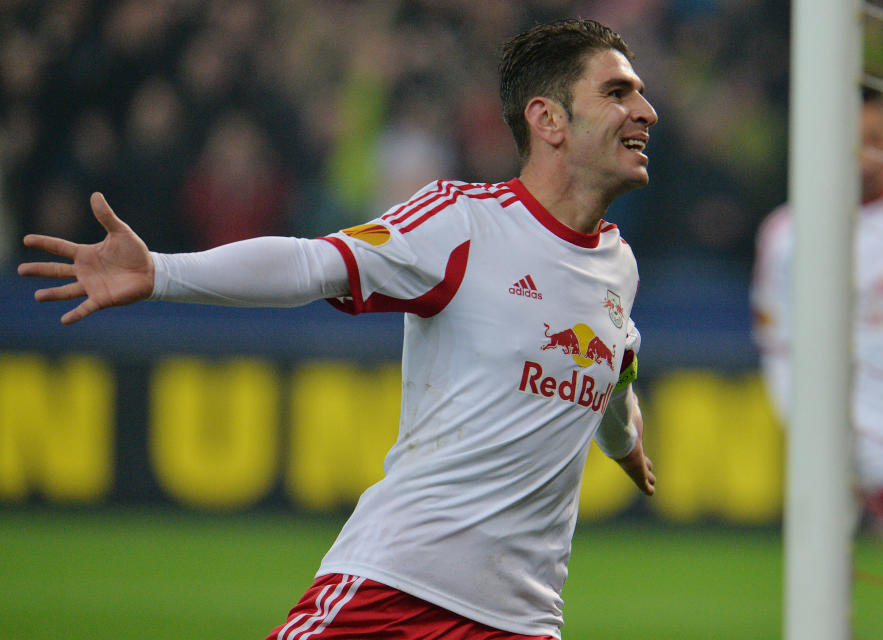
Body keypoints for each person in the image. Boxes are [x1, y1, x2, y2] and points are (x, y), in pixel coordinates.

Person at [19, 18, 658, 640]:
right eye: (616, 92)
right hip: (397, 590)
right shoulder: (463, 224)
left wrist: (623, 442)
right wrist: (161, 271)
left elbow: (613, 364)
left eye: (639, 92)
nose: (645, 110)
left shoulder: (619, 268)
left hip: (523, 620)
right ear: (547, 120)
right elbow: (312, 262)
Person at [752, 89, 883, 623]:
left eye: (876, 140)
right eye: (851, 143)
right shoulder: (790, 237)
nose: (866, 155)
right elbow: (782, 356)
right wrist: (824, 450)